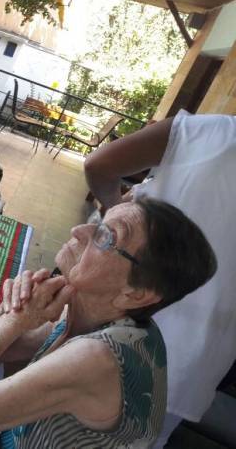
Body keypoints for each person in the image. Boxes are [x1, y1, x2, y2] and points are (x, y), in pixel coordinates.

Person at [0, 198, 216, 447]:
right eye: (98, 221)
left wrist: (16, 320)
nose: (78, 230)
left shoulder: (99, 358)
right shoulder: (93, 308)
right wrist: (19, 310)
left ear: (134, 293)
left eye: (105, 237)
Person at [84, 109, 236, 447]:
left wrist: (116, 216)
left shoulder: (206, 133)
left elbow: (98, 164)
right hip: (191, 362)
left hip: (119, 316)